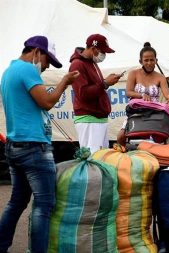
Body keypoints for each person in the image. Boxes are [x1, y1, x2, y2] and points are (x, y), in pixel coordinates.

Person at [0, 35, 79, 253]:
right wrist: (64, 82)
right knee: (44, 206)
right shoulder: (27, 70)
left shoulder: (8, 71)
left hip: (15, 145)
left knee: (17, 202)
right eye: (46, 61)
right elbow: (46, 102)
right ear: (36, 52)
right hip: (34, 148)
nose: (44, 68)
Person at [69, 34, 122, 153]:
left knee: (101, 158)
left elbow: (96, 89)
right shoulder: (77, 64)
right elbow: (82, 94)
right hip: (89, 118)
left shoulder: (92, 63)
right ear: (93, 49)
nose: (104, 55)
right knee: (93, 158)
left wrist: (105, 83)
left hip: (98, 119)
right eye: (103, 51)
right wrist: (104, 84)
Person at [116, 42, 169, 146]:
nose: (149, 63)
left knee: (164, 139)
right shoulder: (133, 73)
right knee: (121, 136)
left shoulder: (160, 77)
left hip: (155, 113)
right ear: (141, 61)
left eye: (152, 60)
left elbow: (167, 94)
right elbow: (128, 92)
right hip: (136, 112)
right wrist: (142, 96)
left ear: (156, 61)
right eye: (146, 60)